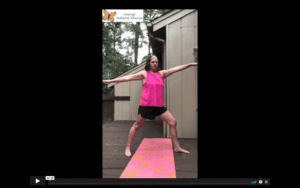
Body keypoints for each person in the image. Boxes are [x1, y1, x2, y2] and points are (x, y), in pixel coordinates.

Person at [103, 54, 198, 157]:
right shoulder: (144, 74)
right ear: (149, 63)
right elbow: (128, 77)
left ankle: (177, 147)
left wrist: (191, 64)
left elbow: (175, 69)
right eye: (153, 62)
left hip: (159, 106)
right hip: (146, 105)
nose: (155, 64)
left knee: (173, 122)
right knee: (137, 126)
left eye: (156, 62)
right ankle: (128, 147)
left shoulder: (161, 74)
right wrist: (111, 81)